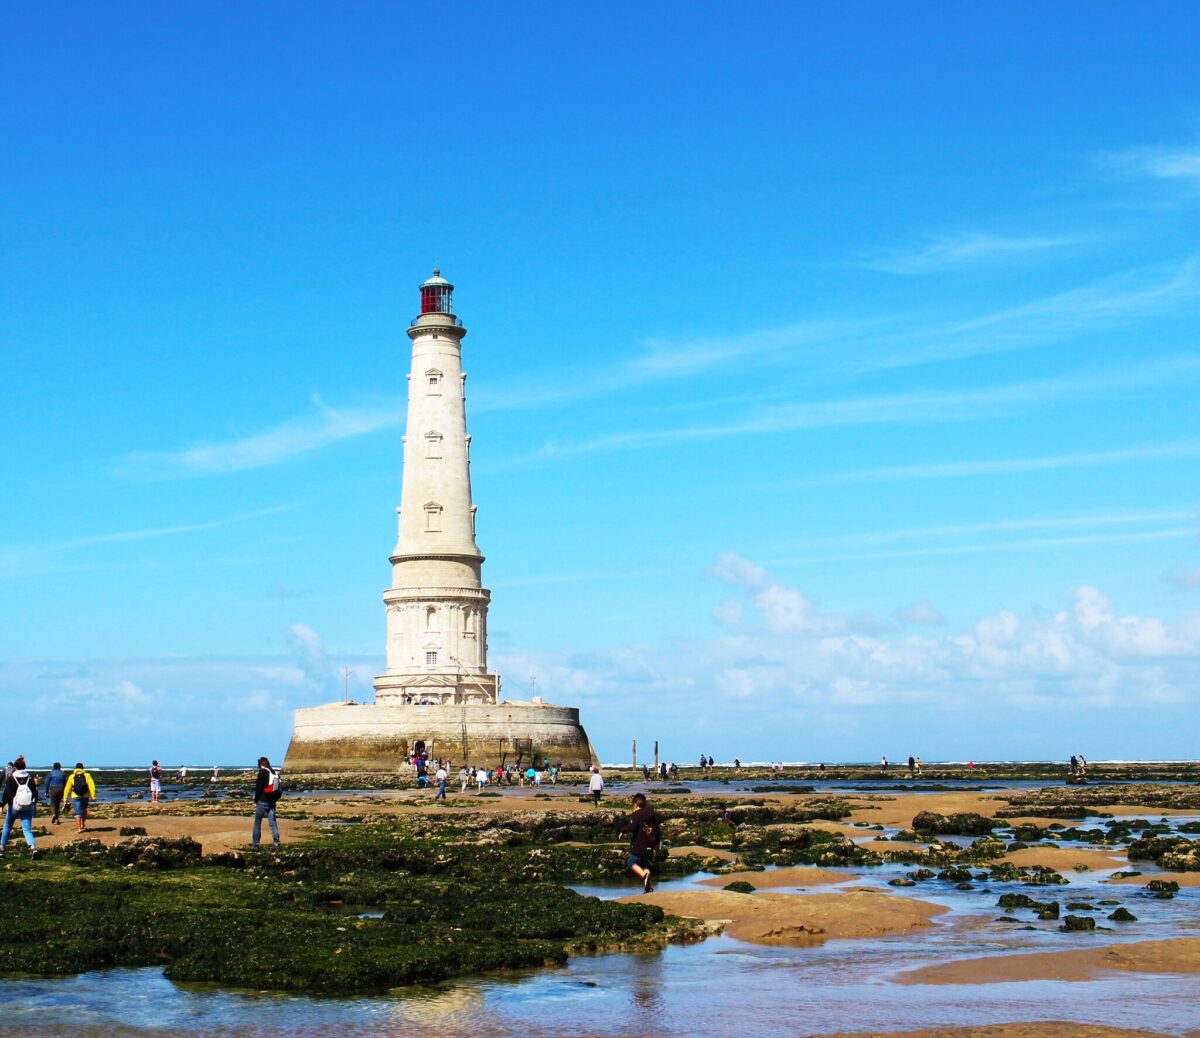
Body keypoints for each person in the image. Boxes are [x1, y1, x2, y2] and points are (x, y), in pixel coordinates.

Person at [615, 792, 661, 893]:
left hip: (639, 844)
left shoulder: (636, 815)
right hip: (650, 844)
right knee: (645, 863)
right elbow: (657, 830)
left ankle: (644, 876)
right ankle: (647, 885)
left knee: (631, 862)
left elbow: (632, 827)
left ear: (635, 805)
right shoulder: (652, 815)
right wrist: (657, 844)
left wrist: (622, 831)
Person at [0, 767, 39, 858]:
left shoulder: (11, 778)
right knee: (27, 830)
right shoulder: (29, 778)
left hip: (13, 807)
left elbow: (7, 793)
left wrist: (2, 804)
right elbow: (34, 792)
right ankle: (34, 849)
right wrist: (33, 803)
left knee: (7, 826)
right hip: (27, 807)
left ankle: (1, 849)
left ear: (15, 768)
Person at [252, 756, 282, 848]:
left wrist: (256, 799)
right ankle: (276, 843)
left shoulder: (262, 772)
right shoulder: (274, 773)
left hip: (262, 800)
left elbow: (259, 788)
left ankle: (256, 844)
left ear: (260, 764)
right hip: (272, 801)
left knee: (257, 822)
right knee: (273, 822)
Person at [66, 763, 95, 833]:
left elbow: (67, 788)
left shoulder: (71, 776)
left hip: (75, 796)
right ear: (83, 768)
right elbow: (92, 785)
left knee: (77, 812)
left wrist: (65, 798)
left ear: (75, 768)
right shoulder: (87, 775)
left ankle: (79, 829)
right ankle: (82, 824)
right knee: (84, 809)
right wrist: (93, 796)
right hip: (85, 795)